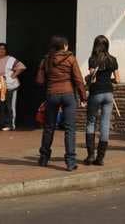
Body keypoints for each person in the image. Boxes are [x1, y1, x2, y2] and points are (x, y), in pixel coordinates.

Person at [37, 35, 86, 171]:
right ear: (64, 46)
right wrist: (83, 97)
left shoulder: (47, 59)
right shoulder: (70, 58)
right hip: (68, 95)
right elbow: (78, 79)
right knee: (70, 129)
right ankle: (70, 162)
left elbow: (40, 80)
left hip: (52, 94)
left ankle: (44, 158)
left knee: (49, 127)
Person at [84, 35, 119, 166]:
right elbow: (118, 79)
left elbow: (92, 78)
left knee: (91, 122)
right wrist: (108, 80)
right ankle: (100, 158)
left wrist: (89, 78)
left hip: (96, 93)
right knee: (105, 124)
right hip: (108, 94)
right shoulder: (112, 59)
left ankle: (90, 156)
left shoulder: (92, 59)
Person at [0, 42, 25, 131]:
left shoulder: (10, 59)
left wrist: (13, 76)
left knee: (9, 105)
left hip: (8, 86)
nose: (1, 50)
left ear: (6, 51)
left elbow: (21, 67)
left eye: (3, 49)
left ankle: (10, 124)